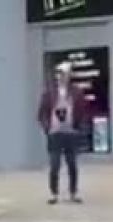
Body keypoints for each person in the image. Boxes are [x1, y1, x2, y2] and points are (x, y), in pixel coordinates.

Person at [37, 62, 87, 205]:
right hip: (55, 133)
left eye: (65, 74)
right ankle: (54, 193)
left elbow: (82, 110)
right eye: (60, 74)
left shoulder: (76, 92)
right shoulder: (49, 92)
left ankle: (73, 192)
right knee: (54, 164)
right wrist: (48, 128)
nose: (62, 77)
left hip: (70, 132)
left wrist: (78, 127)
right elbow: (41, 113)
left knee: (72, 164)